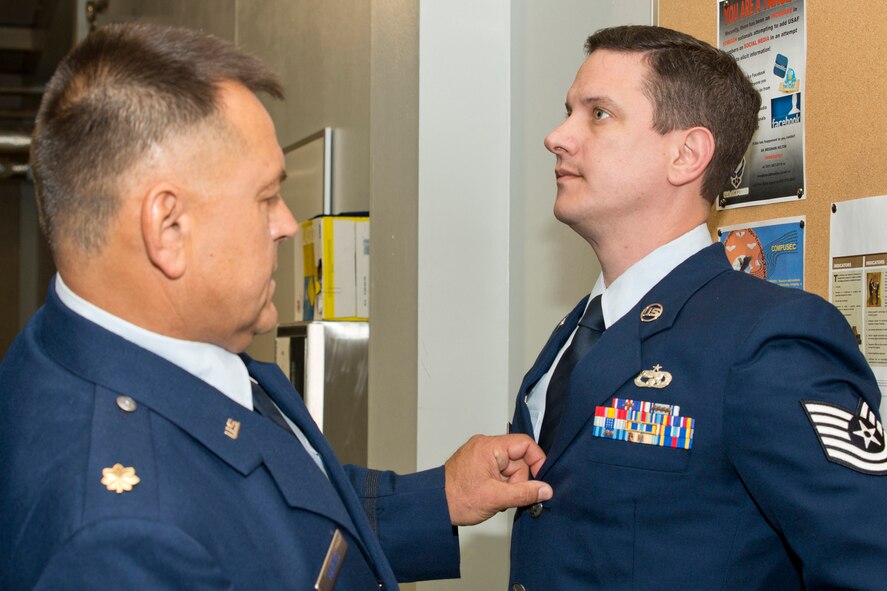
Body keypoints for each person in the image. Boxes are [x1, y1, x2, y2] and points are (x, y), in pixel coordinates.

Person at [0, 23, 553, 590]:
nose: (287, 225)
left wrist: (439, 497)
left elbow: (274, 515)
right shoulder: (116, 539)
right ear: (167, 227)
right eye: (266, 197)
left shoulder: (119, 345)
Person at [507, 25, 887, 590]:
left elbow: (868, 563)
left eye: (599, 114)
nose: (557, 136)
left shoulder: (768, 338)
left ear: (687, 155)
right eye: (569, 111)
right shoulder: (581, 328)